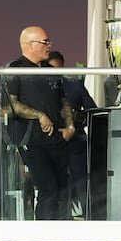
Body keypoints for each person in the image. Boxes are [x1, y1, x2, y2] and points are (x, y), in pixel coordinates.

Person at [3, 26, 75, 220]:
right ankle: (44, 237)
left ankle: (61, 233)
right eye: (45, 42)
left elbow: (63, 101)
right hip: (31, 139)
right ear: (29, 44)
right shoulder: (15, 69)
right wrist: (39, 115)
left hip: (57, 138)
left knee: (62, 189)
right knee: (48, 188)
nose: (48, 46)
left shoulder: (51, 71)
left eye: (48, 42)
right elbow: (8, 105)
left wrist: (70, 126)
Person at [48, 50, 97, 219]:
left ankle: (88, 219)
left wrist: (75, 122)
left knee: (80, 184)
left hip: (74, 144)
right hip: (53, 145)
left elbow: (92, 112)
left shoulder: (74, 86)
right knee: (60, 187)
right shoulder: (41, 89)